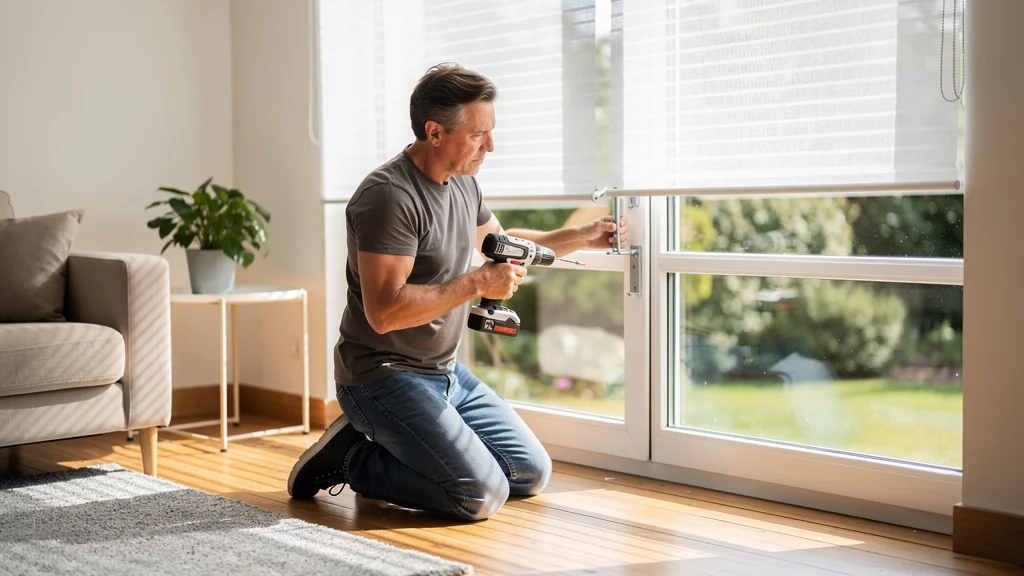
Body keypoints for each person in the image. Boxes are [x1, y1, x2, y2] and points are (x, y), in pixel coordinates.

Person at [287, 62, 628, 521]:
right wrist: (478, 282)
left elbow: (504, 244)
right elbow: (384, 313)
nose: (490, 146)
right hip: (381, 375)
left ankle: (398, 447)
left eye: (491, 132)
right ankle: (351, 459)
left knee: (529, 472)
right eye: (478, 135)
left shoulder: (464, 182)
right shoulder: (390, 197)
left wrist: (581, 237)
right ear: (434, 132)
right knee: (479, 494)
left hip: (444, 372)